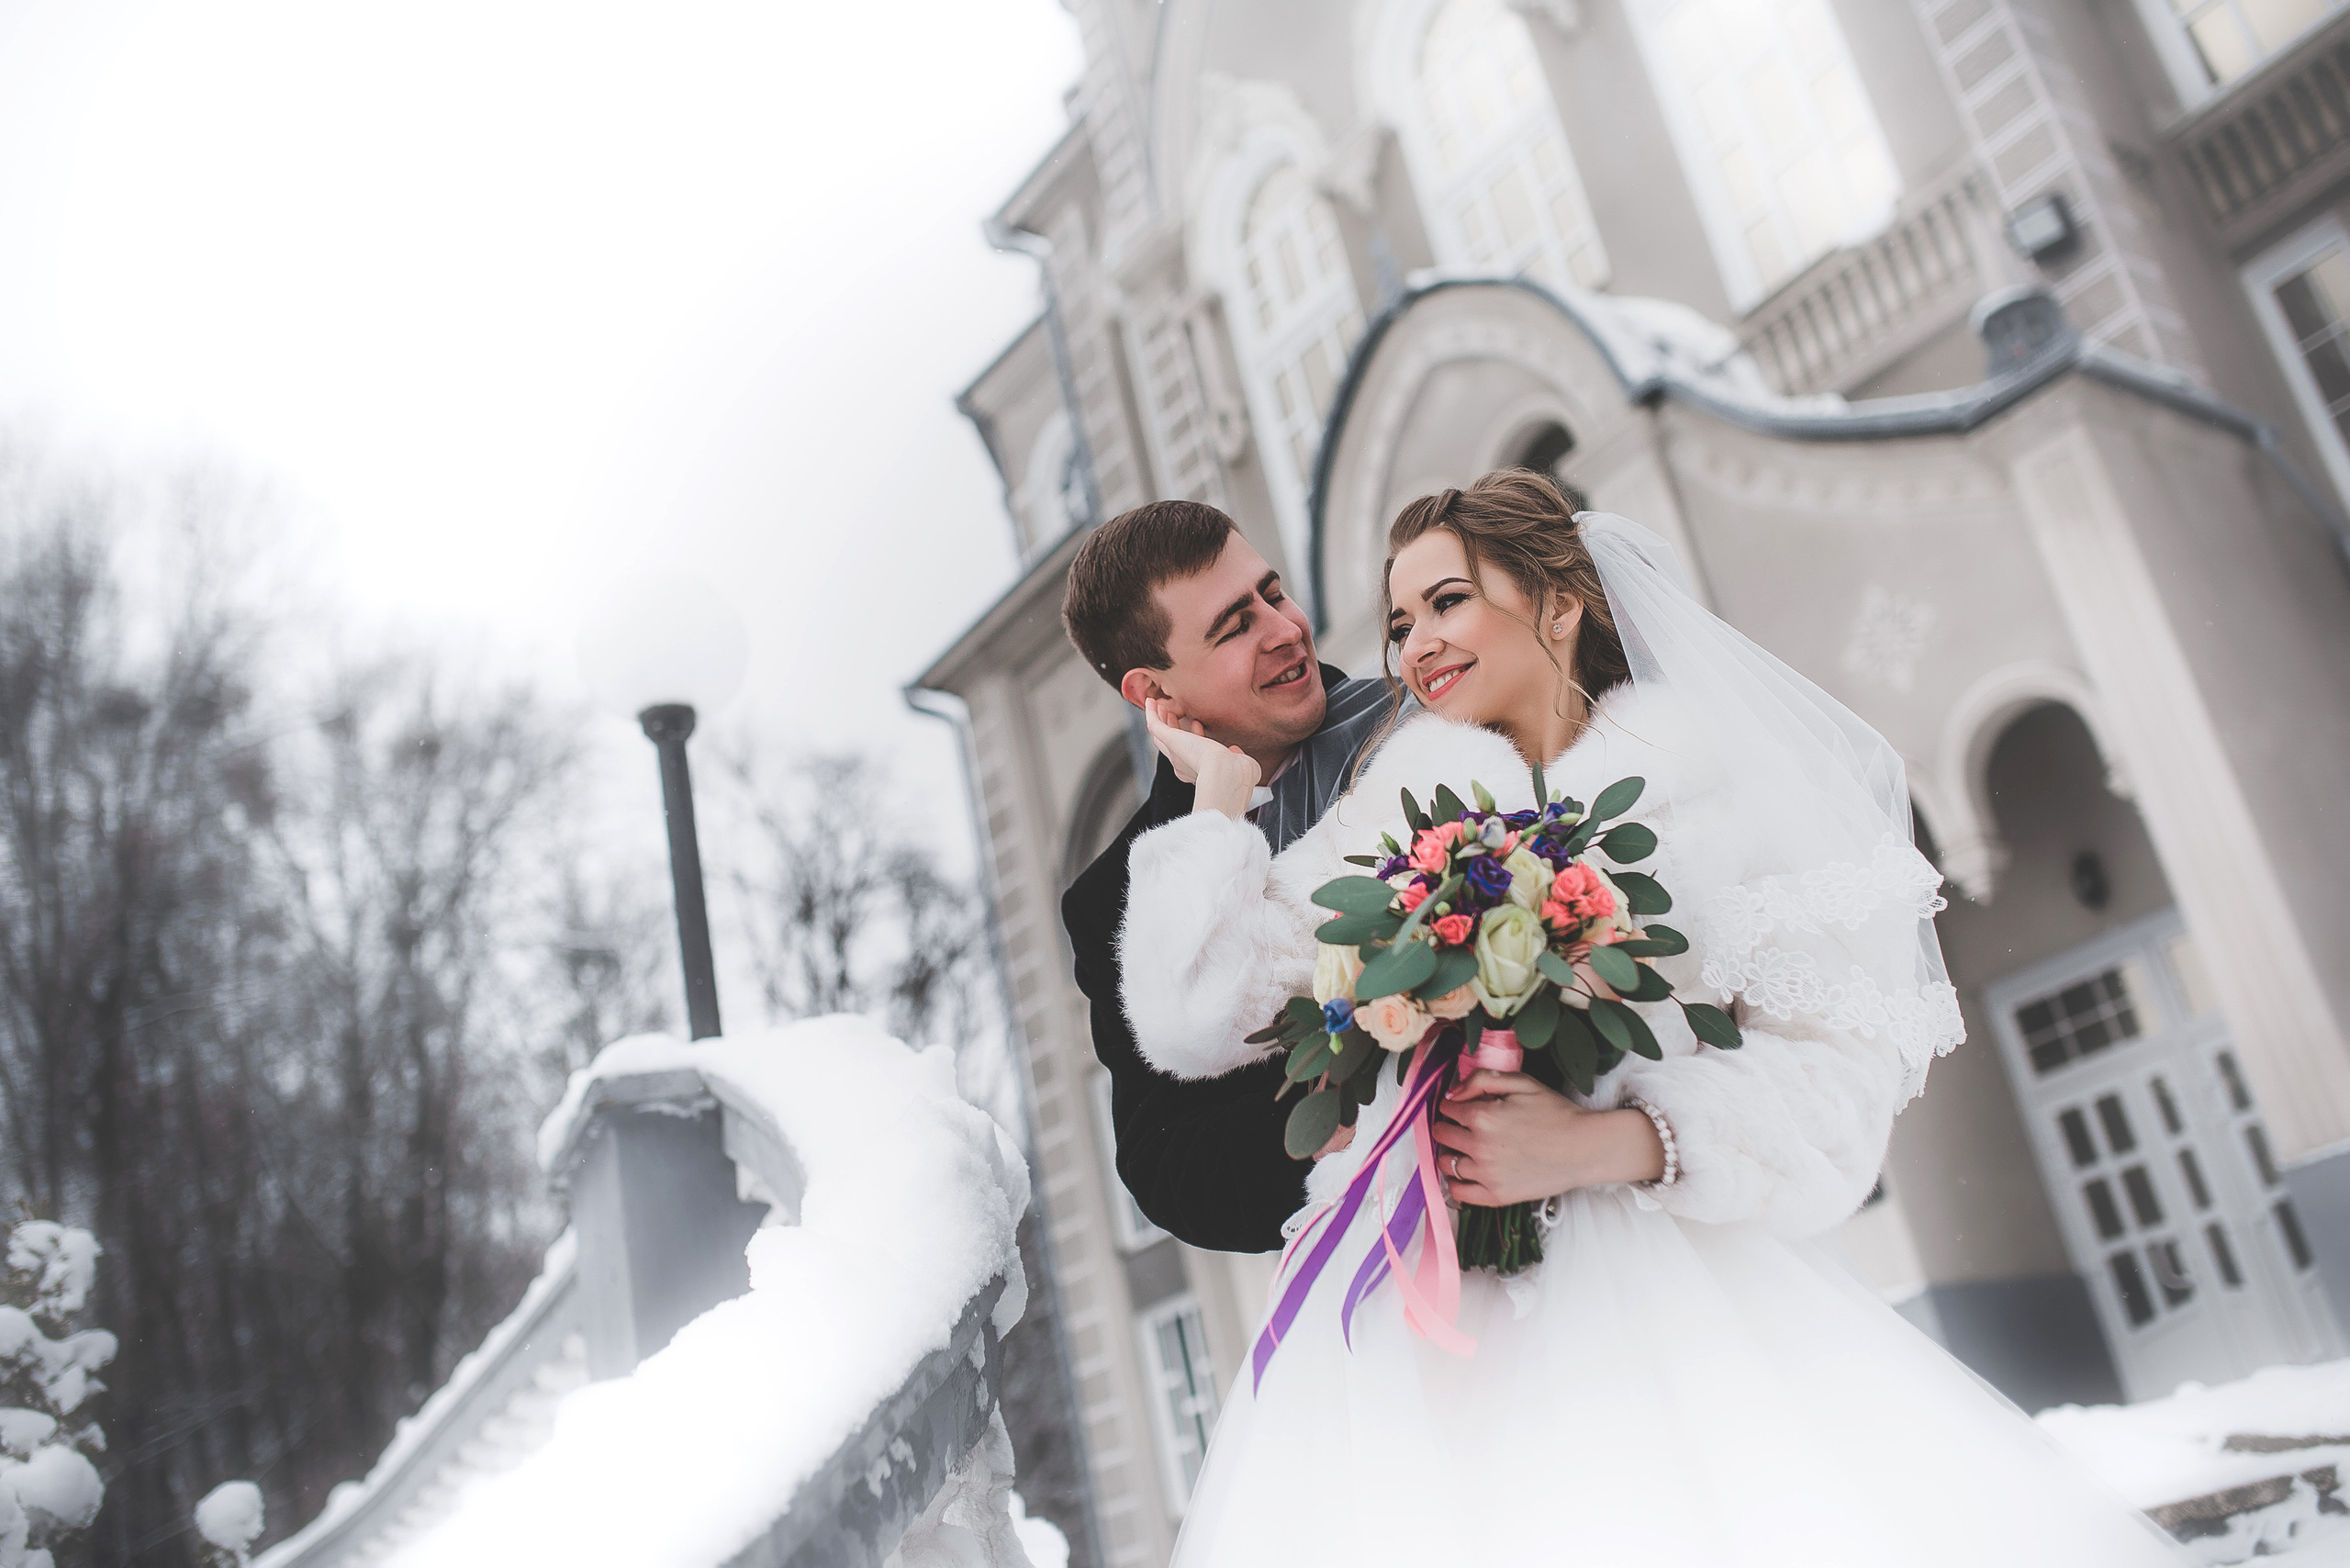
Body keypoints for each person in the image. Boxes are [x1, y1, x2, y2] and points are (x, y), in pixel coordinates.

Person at [1120, 471, 2191, 1564]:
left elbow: (1838, 1088)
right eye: (1397, 623)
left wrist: (1613, 1140)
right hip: (1408, 1321)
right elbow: (1193, 1016)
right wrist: (1215, 801)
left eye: (1445, 601)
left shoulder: (1713, 790)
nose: (1412, 646)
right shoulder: (1401, 807)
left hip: (1660, 1298)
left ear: (1558, 603)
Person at [1058, 499, 1392, 1252]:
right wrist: (1344, 1120)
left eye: (1272, 594)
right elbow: (1168, 1162)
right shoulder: (1110, 903)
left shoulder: (1415, 714)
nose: (1285, 629)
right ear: (1154, 696)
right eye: (1235, 626)